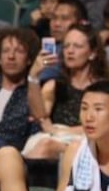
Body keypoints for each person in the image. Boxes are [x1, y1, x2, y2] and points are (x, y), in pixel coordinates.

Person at [24, 24, 107, 160]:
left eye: (77, 46)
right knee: (42, 144)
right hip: (54, 138)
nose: (70, 51)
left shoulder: (103, 89)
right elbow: (40, 116)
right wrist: (33, 76)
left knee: (46, 146)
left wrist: (62, 132)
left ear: (92, 53)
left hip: (88, 141)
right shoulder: (55, 85)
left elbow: (103, 126)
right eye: (66, 46)